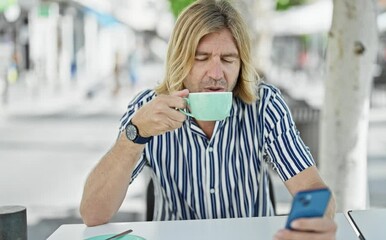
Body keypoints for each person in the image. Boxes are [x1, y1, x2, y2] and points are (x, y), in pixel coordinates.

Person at [80, 0, 337, 239]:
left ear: (241, 65)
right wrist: (133, 135)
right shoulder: (148, 109)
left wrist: (311, 224)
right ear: (179, 60)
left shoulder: (263, 106)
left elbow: (310, 187)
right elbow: (93, 214)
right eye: (201, 58)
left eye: (228, 59)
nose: (216, 74)